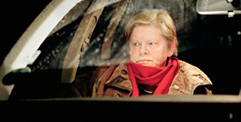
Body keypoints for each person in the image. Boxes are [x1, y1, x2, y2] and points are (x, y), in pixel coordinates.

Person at [68, 10, 212, 97]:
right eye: (136, 44)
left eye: (151, 43)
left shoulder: (194, 84)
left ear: (170, 48)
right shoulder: (102, 77)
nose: (143, 51)